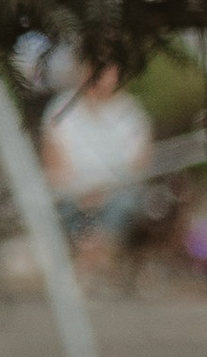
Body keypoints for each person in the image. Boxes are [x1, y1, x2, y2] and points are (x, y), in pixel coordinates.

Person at [39, 59, 154, 273]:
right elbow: (54, 164)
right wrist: (82, 189)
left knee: (124, 204)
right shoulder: (61, 109)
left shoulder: (131, 113)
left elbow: (139, 163)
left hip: (116, 193)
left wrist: (105, 189)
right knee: (66, 208)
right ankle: (93, 260)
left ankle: (92, 259)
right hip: (74, 193)